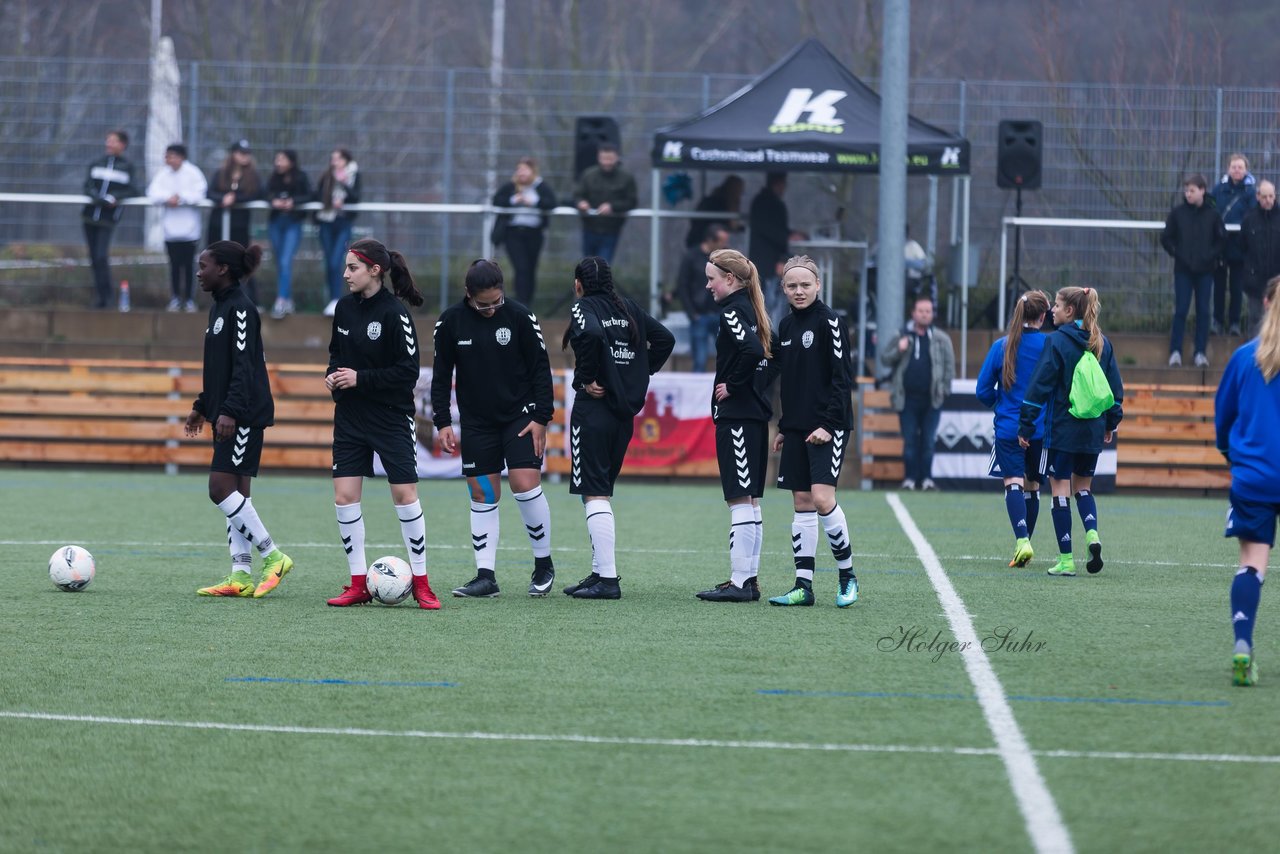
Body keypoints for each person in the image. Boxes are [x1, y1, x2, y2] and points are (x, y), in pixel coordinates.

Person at [324, 238, 441, 610]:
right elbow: (335, 356)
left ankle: (421, 582)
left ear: (375, 270)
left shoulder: (395, 314)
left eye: (352, 268)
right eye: (345, 268)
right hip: (350, 418)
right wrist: (333, 377)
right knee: (344, 498)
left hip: (390, 417)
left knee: (405, 497)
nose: (345, 275)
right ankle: (358, 582)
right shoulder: (343, 309)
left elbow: (408, 373)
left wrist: (361, 379)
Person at [431, 259, 556, 598]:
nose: (491, 309)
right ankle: (485, 576)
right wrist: (442, 420)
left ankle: (543, 565)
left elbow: (541, 370)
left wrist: (542, 417)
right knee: (483, 494)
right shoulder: (451, 322)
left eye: (496, 301)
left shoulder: (519, 317)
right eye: (483, 304)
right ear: (468, 294)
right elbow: (441, 376)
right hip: (476, 422)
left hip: (520, 416)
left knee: (523, 483)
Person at [184, 241, 294, 598]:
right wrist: (202, 406)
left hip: (244, 414)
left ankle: (273, 555)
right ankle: (240, 575)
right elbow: (219, 369)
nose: (199, 272)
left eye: (204, 266)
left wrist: (229, 411)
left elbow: (245, 367)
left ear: (224, 270)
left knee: (220, 489)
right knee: (238, 495)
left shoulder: (242, 309)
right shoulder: (218, 308)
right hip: (228, 411)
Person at [560, 256, 674, 599]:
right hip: (622, 415)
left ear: (578, 283)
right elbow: (665, 340)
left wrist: (587, 378)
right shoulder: (630, 308)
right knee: (599, 492)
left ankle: (607, 580)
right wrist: (637, 374)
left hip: (594, 410)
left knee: (593, 492)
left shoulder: (584, 308)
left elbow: (592, 333)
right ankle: (598, 572)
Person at [767, 256, 859, 608]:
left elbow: (841, 379)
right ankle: (803, 587)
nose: (799, 290)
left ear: (818, 285)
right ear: (784, 290)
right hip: (796, 429)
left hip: (828, 427)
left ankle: (847, 576)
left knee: (822, 498)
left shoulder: (831, 322)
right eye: (792, 286)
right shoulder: (786, 326)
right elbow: (788, 384)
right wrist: (783, 426)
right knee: (802, 502)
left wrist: (828, 425)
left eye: (805, 284)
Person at [1018, 286, 1124, 577]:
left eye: (1056, 305)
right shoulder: (1102, 342)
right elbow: (1115, 390)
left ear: (1070, 311)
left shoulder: (1056, 343)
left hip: (1063, 430)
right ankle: (1092, 534)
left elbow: (1038, 387)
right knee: (1084, 487)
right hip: (1092, 430)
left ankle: (1066, 560)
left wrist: (1026, 423)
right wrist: (1111, 423)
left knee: (1060, 488)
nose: (1051, 310)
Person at [694, 248, 773, 603]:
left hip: (738, 416)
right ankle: (749, 580)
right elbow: (765, 357)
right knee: (751, 501)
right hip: (753, 415)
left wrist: (735, 384)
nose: (708, 285)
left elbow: (754, 351)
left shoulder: (732, 311)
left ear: (730, 279)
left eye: (712, 278)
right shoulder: (749, 309)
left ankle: (741, 582)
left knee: (739, 499)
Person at [1214, 274, 1280, 687]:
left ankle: (1243, 644)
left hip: (1253, 478)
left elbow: (1224, 421)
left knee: (1251, 566)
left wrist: (1233, 456)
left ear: (1265, 303)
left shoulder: (1243, 357)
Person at [976, 290, 1051, 568]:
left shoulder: (1002, 346)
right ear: (1043, 316)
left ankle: (1022, 541)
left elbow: (982, 390)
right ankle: (1026, 541)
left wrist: (1002, 405)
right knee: (1032, 486)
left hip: (1009, 428)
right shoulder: (1050, 346)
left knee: (1013, 483)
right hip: (1040, 430)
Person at [880, 294, 956, 491]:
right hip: (907, 400)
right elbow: (885, 359)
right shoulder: (901, 336)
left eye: (928, 311)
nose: (924, 315)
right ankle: (910, 479)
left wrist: (944, 390)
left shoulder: (941, 338)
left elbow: (949, 367)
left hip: (932, 399)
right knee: (910, 440)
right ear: (913, 313)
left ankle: (927, 480)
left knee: (929, 441)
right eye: (920, 311)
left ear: (932, 314)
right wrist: (899, 349)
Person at [1161, 173, 1225, 367]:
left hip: (1205, 271)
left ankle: (1200, 352)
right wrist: (1177, 253)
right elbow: (1166, 237)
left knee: (1203, 311)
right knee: (1181, 309)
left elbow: (1221, 240)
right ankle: (1175, 352)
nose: (1188, 194)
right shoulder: (1178, 213)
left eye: (1192, 190)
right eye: (1186, 190)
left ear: (1202, 191)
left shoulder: (1212, 214)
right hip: (1183, 270)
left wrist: (1209, 256)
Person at [81, 129, 141, 309]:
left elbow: (133, 190)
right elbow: (87, 186)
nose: (109, 144)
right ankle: (100, 297)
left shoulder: (127, 166)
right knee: (93, 257)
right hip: (89, 216)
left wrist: (114, 197)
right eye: (108, 140)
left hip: (108, 218)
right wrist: (97, 197)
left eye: (113, 141)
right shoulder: (96, 163)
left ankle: (107, 297)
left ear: (122, 144)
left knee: (101, 256)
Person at [146, 143, 208, 313]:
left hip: (189, 230)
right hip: (170, 231)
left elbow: (200, 193)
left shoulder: (193, 173)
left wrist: (181, 198)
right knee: (174, 265)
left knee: (189, 266)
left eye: (171, 156)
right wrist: (167, 198)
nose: (168, 160)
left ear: (181, 157)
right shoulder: (163, 174)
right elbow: (152, 193)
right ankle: (174, 298)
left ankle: (188, 299)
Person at [491, 157, 557, 306]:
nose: (521, 173)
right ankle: (520, 303)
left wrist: (533, 202)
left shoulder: (540, 187)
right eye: (519, 169)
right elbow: (497, 201)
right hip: (513, 233)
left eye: (525, 170)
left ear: (533, 172)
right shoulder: (511, 187)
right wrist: (514, 200)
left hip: (534, 234)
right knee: (521, 268)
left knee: (531, 269)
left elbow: (552, 203)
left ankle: (528, 303)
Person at [207, 139, 263, 304]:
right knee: (218, 261)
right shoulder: (221, 173)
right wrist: (223, 198)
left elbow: (257, 193)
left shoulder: (252, 176)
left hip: (239, 225)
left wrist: (235, 199)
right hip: (218, 223)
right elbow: (210, 193)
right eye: (241, 153)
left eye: (247, 154)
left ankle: (248, 298)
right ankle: (221, 296)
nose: (244, 157)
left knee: (240, 261)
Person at [1209, 153, 1257, 336]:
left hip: (1239, 245)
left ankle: (1235, 322)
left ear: (1246, 170)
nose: (1237, 170)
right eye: (1234, 167)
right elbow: (1211, 210)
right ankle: (1217, 321)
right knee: (1219, 287)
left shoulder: (1251, 192)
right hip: (1220, 245)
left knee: (1236, 287)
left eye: (1240, 167)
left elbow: (1251, 216)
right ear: (1228, 168)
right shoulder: (1218, 190)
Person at [673, 223, 730, 372]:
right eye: (721, 242)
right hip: (700, 315)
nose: (725, 245)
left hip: (721, 313)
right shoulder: (692, 257)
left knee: (729, 356)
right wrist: (692, 313)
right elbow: (682, 285)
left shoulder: (724, 258)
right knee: (700, 359)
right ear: (710, 240)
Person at [315, 147, 362, 317]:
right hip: (326, 223)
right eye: (333, 159)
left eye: (338, 159)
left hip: (343, 223)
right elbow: (317, 195)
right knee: (329, 263)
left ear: (346, 160)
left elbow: (355, 196)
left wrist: (343, 183)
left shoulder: (354, 174)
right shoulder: (326, 176)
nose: (334, 162)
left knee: (336, 261)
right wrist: (329, 201)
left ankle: (336, 299)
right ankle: (332, 299)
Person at [266, 149, 312, 320]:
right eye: (276, 158)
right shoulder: (273, 178)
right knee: (279, 262)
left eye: (282, 159)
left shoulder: (301, 177)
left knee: (286, 260)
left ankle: (281, 300)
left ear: (291, 161)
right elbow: (265, 193)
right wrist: (274, 201)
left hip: (293, 223)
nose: (278, 162)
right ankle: (288, 298)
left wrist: (294, 202)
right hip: (276, 223)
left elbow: (309, 195)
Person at [572, 144, 637, 263]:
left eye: (610, 159)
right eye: (604, 158)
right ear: (598, 157)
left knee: (602, 266)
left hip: (611, 230)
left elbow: (632, 201)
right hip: (589, 228)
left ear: (617, 158)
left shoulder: (626, 178)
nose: (607, 162)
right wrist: (581, 203)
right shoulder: (588, 175)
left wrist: (613, 207)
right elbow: (577, 195)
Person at [748, 172, 793, 326]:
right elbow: (771, 232)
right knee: (770, 308)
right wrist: (783, 255)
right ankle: (769, 344)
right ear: (778, 183)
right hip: (769, 267)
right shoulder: (770, 204)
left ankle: (768, 342)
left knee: (768, 307)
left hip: (765, 265)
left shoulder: (761, 202)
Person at [1240, 180, 1280, 337]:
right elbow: (1242, 246)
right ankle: (1254, 357)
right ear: (1258, 196)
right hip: (1255, 280)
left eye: (1271, 196)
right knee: (1255, 320)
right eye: (1264, 197)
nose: (1268, 200)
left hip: (1277, 281)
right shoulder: (1249, 219)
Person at [685, 174, 744, 248]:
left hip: (705, 242)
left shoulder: (719, 202)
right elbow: (730, 225)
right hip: (701, 242)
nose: (739, 195)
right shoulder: (718, 204)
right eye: (739, 191)